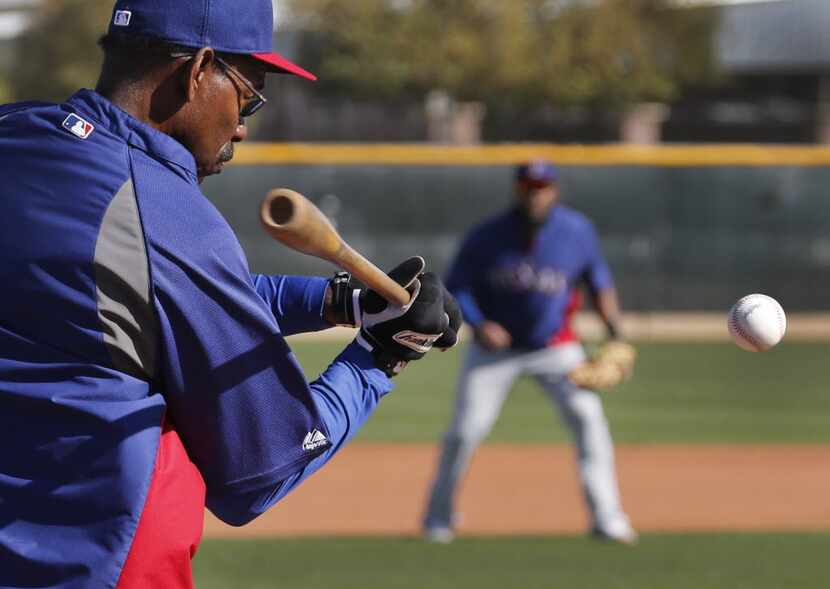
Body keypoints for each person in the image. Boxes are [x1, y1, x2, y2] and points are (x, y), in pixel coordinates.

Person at [0, 1, 460, 587]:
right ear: (199, 69)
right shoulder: (165, 214)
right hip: (95, 560)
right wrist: (379, 356)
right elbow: (260, 474)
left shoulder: (14, 132)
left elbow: (151, 300)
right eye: (250, 94)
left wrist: (339, 303)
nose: (243, 123)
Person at [422, 160, 636, 545]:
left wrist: (616, 334)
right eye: (529, 186)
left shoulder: (576, 232)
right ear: (517, 189)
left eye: (543, 186)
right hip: (493, 353)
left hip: (557, 348)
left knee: (590, 422)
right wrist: (479, 322)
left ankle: (608, 519)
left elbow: (598, 282)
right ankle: (438, 519)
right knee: (465, 432)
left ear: (554, 190)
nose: (536, 194)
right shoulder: (487, 236)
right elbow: (457, 288)